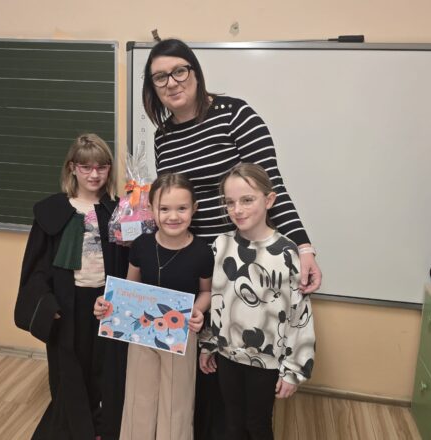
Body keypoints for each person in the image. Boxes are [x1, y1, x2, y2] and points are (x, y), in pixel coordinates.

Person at [142, 38, 322, 438]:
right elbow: (173, 200)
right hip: (191, 263)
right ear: (152, 88)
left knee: (241, 395)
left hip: (241, 266)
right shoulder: (163, 136)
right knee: (199, 368)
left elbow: (272, 187)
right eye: (159, 77)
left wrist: (304, 247)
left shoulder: (235, 115)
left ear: (195, 71)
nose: (171, 82)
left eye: (179, 71)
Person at [14, 133, 129, 440]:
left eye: (101, 167)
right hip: (67, 305)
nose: (94, 174)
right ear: (72, 168)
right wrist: (47, 304)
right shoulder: (53, 211)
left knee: (105, 369)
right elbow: (36, 267)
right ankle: (73, 430)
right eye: (86, 167)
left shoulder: (118, 212)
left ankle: (101, 428)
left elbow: (129, 263)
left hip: (106, 304)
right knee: (69, 369)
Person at [199, 163, 316, 440]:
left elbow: (299, 315)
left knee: (257, 424)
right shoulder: (220, 245)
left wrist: (293, 370)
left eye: (247, 200)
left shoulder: (287, 253)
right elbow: (217, 300)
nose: (237, 210)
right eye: (230, 202)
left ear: (269, 200)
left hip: (267, 362)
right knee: (232, 423)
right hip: (228, 356)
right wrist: (208, 344)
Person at [95, 172, 214, 440]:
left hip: (181, 333)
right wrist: (106, 303)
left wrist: (198, 310)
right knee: (139, 398)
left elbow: (206, 291)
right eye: (164, 209)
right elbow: (129, 288)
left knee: (176, 402)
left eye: (182, 208)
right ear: (151, 209)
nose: (173, 216)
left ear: (194, 208)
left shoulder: (202, 252)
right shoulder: (141, 245)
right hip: (141, 333)